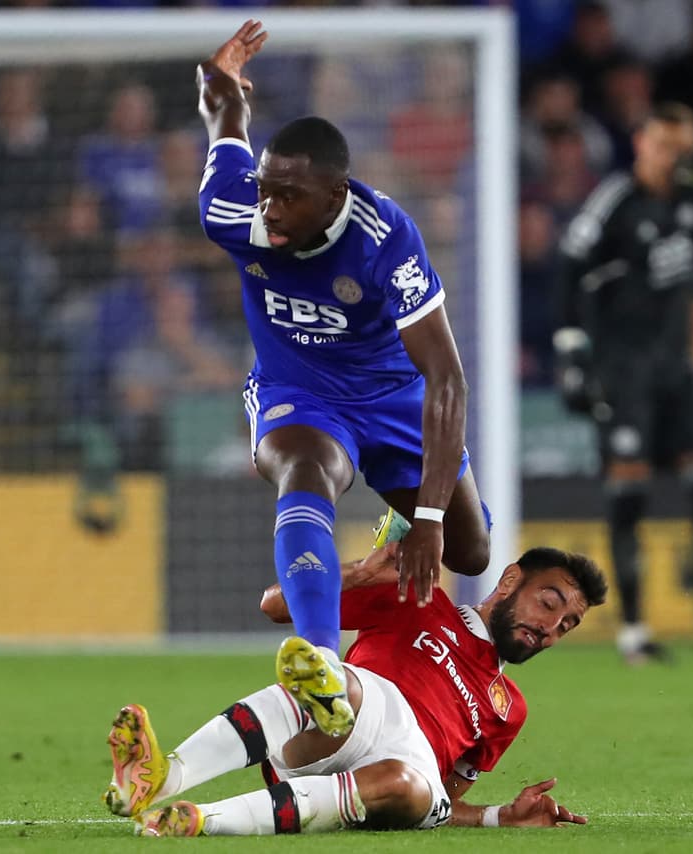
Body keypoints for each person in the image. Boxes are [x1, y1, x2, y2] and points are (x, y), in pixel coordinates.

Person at [195, 20, 491, 737]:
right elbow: (224, 127)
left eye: (288, 197)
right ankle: (322, 667)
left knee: (469, 548)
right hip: (299, 389)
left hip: (394, 396)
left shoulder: (388, 241)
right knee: (304, 467)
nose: (268, 210)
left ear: (336, 196)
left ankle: (388, 536)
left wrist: (423, 520)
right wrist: (225, 92)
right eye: (265, 192)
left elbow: (447, 378)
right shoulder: (234, 214)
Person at [103, 543, 607, 836]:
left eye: (568, 624)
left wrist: (498, 817)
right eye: (549, 603)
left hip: (407, 775)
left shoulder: (509, 709)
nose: (552, 626)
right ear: (511, 579)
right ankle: (161, 777)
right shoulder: (420, 595)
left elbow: (444, 802)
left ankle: (198, 820)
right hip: (345, 725)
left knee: (408, 785)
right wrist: (362, 572)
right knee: (336, 683)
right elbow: (276, 606)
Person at [554, 102, 693, 663]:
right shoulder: (615, 202)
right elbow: (570, 269)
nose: (676, 158)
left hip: (676, 368)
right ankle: (634, 634)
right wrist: (572, 352)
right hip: (623, 372)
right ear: (643, 142)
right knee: (630, 492)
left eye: (685, 148)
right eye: (667, 145)